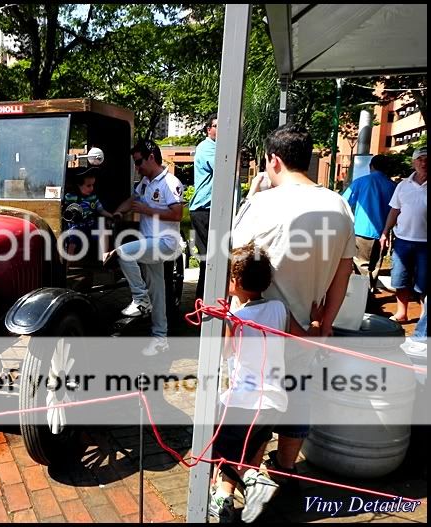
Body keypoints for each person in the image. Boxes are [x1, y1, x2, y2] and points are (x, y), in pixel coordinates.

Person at [232, 123, 356, 490]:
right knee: (298, 399)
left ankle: (246, 473)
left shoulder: (261, 204)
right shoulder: (339, 206)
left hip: (262, 329)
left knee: (256, 410)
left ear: (274, 160)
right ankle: (286, 466)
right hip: (308, 328)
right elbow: (342, 274)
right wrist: (326, 325)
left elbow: (234, 263)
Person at [210, 242, 322, 523]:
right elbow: (307, 343)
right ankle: (243, 484)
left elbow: (222, 353)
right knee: (247, 450)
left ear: (234, 282)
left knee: (217, 450)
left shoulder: (235, 319)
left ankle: (247, 484)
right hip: (273, 402)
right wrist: (318, 323)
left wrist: (221, 321)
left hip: (239, 401)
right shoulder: (279, 309)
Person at [113, 139, 183, 356]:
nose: (137, 167)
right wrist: (117, 212)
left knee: (123, 252)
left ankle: (140, 299)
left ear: (151, 157)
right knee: (158, 291)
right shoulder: (145, 182)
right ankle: (160, 338)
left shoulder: (170, 182)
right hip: (150, 243)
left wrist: (146, 209)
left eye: (139, 161)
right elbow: (132, 201)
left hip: (165, 244)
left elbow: (177, 214)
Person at [380, 147, 427, 327]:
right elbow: (394, 210)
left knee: (424, 282)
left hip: (425, 243)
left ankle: (424, 319)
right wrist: (385, 232)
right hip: (403, 240)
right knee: (400, 278)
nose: (424, 163)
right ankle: (402, 313)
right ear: (414, 162)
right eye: (420, 159)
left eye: (427, 159)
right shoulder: (402, 185)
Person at [342, 154, 396, 293]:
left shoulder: (361, 182)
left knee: (361, 265)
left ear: (371, 166)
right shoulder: (392, 186)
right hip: (383, 233)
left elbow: (343, 202)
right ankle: (370, 290)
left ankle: (363, 297)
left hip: (362, 231)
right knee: (376, 265)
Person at [188, 113, 218, 300]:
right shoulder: (207, 147)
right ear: (209, 129)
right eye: (217, 126)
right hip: (204, 211)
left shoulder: (218, 148)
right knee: (209, 260)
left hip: (211, 210)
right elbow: (224, 167)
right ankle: (203, 304)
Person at [61, 170, 115, 262]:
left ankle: (105, 258)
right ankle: (67, 267)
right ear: (79, 185)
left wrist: (111, 216)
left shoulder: (93, 198)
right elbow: (64, 211)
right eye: (88, 186)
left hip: (90, 224)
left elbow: (100, 210)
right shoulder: (70, 197)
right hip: (76, 225)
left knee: (103, 230)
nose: (91, 188)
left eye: (93, 185)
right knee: (72, 242)